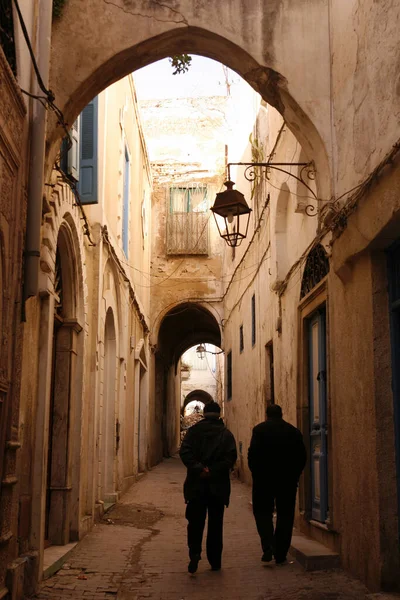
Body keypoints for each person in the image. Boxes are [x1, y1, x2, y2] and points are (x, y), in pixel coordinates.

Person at [179, 400, 237, 574]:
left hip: (197, 486)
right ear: (219, 414)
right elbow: (230, 458)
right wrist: (212, 470)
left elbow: (185, 452)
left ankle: (194, 553)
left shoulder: (193, 432)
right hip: (217, 487)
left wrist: (199, 469)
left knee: (195, 523)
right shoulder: (226, 434)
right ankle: (215, 560)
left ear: (204, 414)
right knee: (215, 524)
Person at [248, 404, 306, 565]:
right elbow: (302, 456)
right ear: (282, 414)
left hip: (263, 480)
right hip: (286, 481)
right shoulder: (293, 432)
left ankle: (267, 546)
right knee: (285, 515)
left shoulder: (259, 430)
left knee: (262, 513)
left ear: (267, 415)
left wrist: (257, 474)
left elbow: (252, 455)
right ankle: (280, 553)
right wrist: (294, 475)